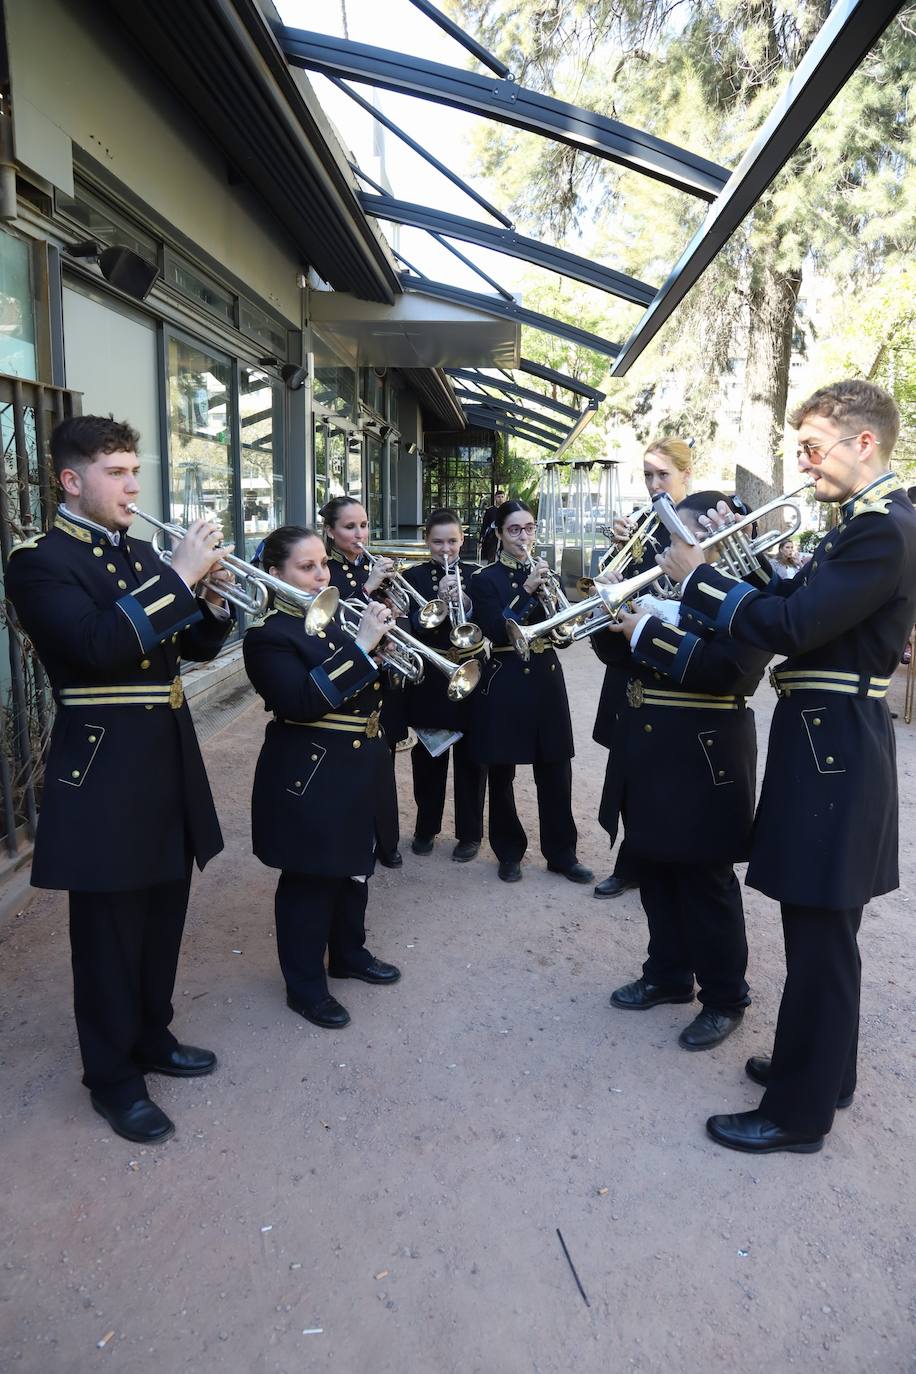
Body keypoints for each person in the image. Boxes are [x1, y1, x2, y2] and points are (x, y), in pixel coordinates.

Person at [660, 379, 916, 1154]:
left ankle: (799, 1114)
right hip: (827, 738)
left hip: (833, 745)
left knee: (821, 934)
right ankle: (821, 1070)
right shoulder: (861, 528)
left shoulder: (883, 529)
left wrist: (699, 576)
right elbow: (798, 600)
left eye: (811, 447)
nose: (802, 465)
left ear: (862, 441)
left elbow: (797, 625)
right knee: (818, 931)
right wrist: (751, 564)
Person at [5, 415, 233, 1146]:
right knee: (108, 934)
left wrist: (214, 598)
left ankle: (152, 1038)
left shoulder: (139, 552)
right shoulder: (38, 561)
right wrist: (179, 578)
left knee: (165, 912)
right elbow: (100, 647)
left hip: (165, 754)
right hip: (101, 763)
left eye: (135, 470)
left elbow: (191, 645)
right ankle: (111, 1078)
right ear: (72, 481)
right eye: (116, 472)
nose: (133, 486)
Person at [602, 494, 770, 1050]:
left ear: (718, 534)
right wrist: (613, 615)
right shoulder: (660, 579)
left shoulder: (744, 591)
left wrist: (647, 632)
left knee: (705, 880)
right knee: (652, 866)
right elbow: (620, 655)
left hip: (705, 751)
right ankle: (668, 974)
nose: (670, 548)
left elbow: (734, 671)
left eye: (681, 536)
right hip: (648, 743)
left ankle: (725, 997)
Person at [243, 525, 401, 1029]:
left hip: (360, 760)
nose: (321, 575)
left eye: (323, 565)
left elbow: (366, 680)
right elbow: (302, 702)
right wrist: (363, 649)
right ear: (275, 574)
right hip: (310, 768)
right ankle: (305, 986)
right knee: (310, 878)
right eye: (306, 567)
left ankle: (349, 954)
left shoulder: (331, 618)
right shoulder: (267, 635)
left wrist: (383, 653)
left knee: (354, 865)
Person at [469, 500, 593, 884]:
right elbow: (492, 628)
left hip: (545, 677)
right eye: (515, 530)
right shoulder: (484, 579)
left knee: (556, 768)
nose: (525, 537)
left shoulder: (546, 572)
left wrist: (560, 612)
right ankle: (509, 852)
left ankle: (562, 854)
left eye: (530, 528)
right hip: (505, 678)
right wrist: (525, 591)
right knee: (502, 771)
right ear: (499, 535)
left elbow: (564, 635)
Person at [592, 437, 692, 899]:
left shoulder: (702, 525)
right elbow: (611, 599)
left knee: (673, 780)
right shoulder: (639, 529)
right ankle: (630, 862)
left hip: (680, 673)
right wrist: (614, 567)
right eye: (648, 475)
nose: (654, 485)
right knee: (629, 772)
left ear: (686, 475)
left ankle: (665, 864)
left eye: (662, 475)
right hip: (633, 669)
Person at [319, 495, 404, 868]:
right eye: (350, 527)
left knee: (383, 762)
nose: (360, 534)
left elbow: (407, 621)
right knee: (350, 763)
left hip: (382, 677)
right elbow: (333, 623)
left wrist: (400, 614)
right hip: (349, 677)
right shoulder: (324, 572)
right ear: (330, 531)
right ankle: (355, 838)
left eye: (364, 525)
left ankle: (387, 840)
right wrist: (368, 587)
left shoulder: (376, 566)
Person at [401, 508, 487, 862]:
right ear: (426, 541)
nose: (445, 549)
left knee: (472, 762)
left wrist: (465, 602)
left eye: (452, 541)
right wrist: (437, 597)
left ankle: (470, 835)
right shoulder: (414, 577)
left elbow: (490, 623)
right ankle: (426, 828)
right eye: (438, 542)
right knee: (428, 760)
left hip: (470, 674)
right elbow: (409, 629)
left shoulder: (478, 576)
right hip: (434, 678)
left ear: (462, 539)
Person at [478, 489, 507, 563]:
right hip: (492, 537)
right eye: (498, 497)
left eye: (502, 497)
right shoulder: (490, 510)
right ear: (495, 498)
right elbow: (484, 525)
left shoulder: (508, 510)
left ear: (505, 498)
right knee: (491, 556)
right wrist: (481, 539)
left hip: (505, 536)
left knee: (504, 556)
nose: (500, 499)